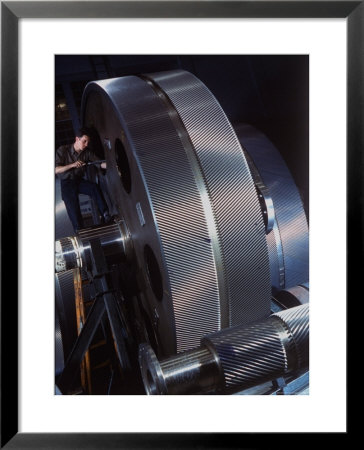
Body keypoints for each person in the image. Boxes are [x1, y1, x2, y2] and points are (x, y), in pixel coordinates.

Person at [55, 128, 112, 233]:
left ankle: (105, 215)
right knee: (72, 205)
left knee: (93, 187)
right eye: (84, 141)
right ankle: (79, 230)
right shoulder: (63, 150)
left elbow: (99, 163)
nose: (86, 144)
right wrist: (72, 165)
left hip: (78, 181)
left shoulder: (87, 153)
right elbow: (56, 170)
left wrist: (112, 164)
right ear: (77, 139)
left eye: (88, 142)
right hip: (67, 183)